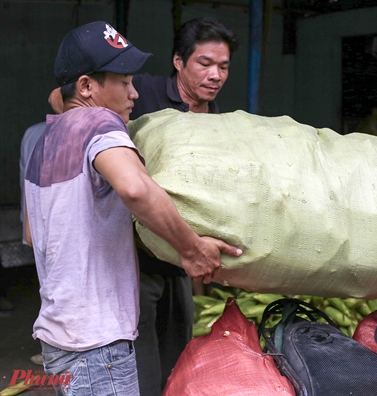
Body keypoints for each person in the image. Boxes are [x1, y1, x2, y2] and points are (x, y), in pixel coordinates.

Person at [25, 21, 241, 395]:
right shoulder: (99, 120)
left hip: (61, 335)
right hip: (100, 342)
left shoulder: (45, 139)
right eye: (124, 83)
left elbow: (31, 235)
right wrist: (191, 250)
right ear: (87, 87)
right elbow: (136, 188)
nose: (134, 93)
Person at [129, 17, 238, 396]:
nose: (216, 75)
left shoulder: (219, 122)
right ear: (179, 61)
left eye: (223, 67)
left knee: (177, 364)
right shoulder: (141, 91)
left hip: (180, 263)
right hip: (134, 261)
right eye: (204, 63)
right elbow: (64, 100)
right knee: (140, 369)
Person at [19, 121, 46, 366]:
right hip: (52, 224)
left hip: (35, 219)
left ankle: (50, 349)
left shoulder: (32, 132)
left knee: (47, 289)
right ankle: (53, 350)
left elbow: (25, 180)